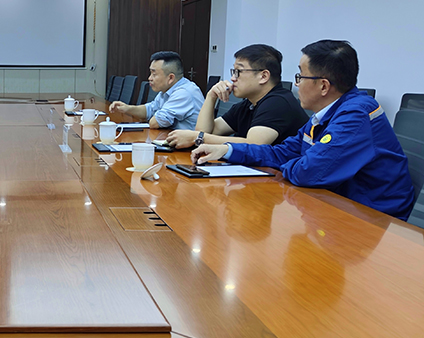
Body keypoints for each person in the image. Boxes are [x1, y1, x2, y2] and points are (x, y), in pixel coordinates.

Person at [192, 40, 415, 221]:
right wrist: (227, 150)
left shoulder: (356, 115)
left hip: (376, 217)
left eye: (300, 76)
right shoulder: (323, 115)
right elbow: (282, 152)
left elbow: (309, 172)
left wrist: (297, 162)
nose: (296, 84)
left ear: (323, 86)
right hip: (337, 204)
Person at [166, 44, 308, 149]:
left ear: (263, 76)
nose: (233, 78)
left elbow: (253, 144)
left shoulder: (278, 102)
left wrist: (198, 138)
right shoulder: (249, 104)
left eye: (238, 72)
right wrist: (211, 97)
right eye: (233, 72)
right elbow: (207, 131)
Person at [108, 51, 204, 130]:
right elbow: (150, 109)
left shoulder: (184, 93)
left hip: (189, 146)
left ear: (170, 78)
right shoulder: (167, 90)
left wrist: (155, 116)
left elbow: (155, 123)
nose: (149, 78)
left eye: (154, 74)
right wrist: (127, 108)